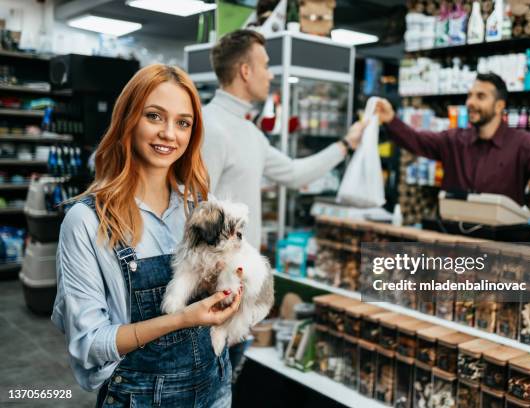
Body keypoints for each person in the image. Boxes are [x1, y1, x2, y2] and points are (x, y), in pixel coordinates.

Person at [51, 64, 243, 408]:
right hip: (141, 398)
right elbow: (89, 343)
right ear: (128, 119)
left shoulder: (200, 208)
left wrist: (231, 288)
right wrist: (182, 318)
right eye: (154, 116)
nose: (170, 134)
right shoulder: (87, 221)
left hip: (215, 389)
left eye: (183, 123)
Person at [201, 29, 366, 375]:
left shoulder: (248, 132)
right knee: (207, 387)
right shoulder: (210, 127)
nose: (271, 74)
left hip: (242, 286)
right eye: (265, 64)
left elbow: (293, 173)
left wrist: (346, 145)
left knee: (224, 386)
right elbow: (196, 212)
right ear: (245, 71)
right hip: (215, 292)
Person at [376, 73, 530, 242]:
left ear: (499, 106)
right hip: (452, 242)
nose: (470, 102)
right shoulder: (454, 140)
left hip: (501, 246)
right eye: (470, 95)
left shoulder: (524, 144)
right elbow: (416, 140)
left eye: (480, 96)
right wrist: (390, 120)